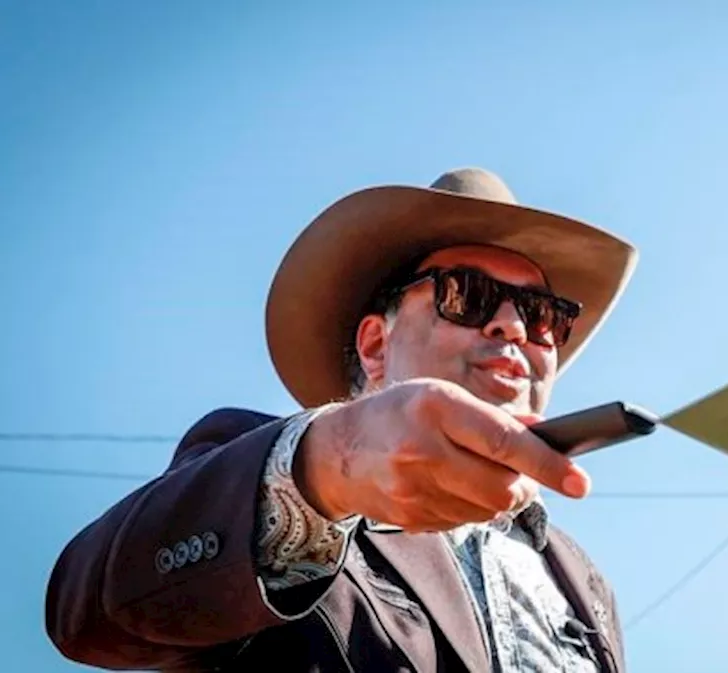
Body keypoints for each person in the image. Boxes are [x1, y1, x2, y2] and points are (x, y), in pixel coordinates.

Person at [44, 167, 640, 673]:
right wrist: (328, 467)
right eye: (467, 296)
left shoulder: (583, 581)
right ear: (376, 346)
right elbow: (86, 611)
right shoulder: (268, 474)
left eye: (541, 315)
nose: (511, 326)